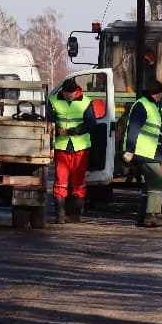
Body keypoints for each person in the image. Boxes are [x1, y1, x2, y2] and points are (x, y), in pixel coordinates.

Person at [47, 77, 104, 224]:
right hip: (62, 146)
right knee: (60, 180)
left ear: (76, 91)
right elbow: (48, 119)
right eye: (66, 93)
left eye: (71, 93)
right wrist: (57, 130)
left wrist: (76, 130)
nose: (69, 96)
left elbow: (92, 124)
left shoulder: (86, 102)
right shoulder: (53, 101)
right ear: (63, 92)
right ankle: (60, 215)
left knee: (78, 181)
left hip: (81, 146)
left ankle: (74, 216)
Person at [122, 79, 162, 228]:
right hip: (145, 151)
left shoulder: (156, 108)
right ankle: (151, 216)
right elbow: (133, 129)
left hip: (155, 152)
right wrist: (130, 150)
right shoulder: (142, 106)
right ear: (155, 94)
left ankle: (142, 217)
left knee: (149, 185)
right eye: (161, 94)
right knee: (157, 181)